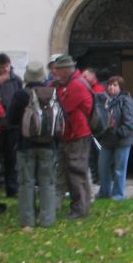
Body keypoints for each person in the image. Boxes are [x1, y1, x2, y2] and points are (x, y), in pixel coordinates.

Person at [8, 61, 59, 228]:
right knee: (48, 182)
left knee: (26, 182)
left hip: (26, 145)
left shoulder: (21, 95)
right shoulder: (52, 93)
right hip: (48, 145)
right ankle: (47, 219)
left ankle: (27, 219)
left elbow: (11, 119)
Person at [52, 54, 94, 219]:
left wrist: (57, 91)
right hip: (72, 134)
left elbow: (64, 107)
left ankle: (80, 208)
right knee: (75, 171)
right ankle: (81, 206)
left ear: (66, 70)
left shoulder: (76, 85)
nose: (55, 73)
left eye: (58, 69)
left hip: (78, 134)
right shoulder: (70, 83)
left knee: (76, 172)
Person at [97, 75, 133, 200]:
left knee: (119, 169)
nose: (111, 87)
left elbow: (130, 121)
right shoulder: (105, 100)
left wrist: (118, 132)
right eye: (110, 85)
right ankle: (104, 191)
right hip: (107, 139)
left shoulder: (126, 100)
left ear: (120, 87)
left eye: (115, 85)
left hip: (122, 140)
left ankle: (118, 194)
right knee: (103, 166)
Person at [0, 53, 23, 197]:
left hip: (12, 125)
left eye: (6, 66)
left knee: (12, 158)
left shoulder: (16, 80)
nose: (5, 69)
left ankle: (12, 187)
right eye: (2, 67)